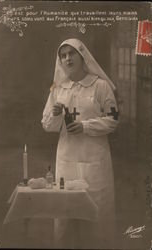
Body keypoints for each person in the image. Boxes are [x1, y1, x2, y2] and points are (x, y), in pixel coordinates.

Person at [41, 38, 119, 249]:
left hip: (94, 157)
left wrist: (85, 126)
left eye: (71, 53)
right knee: (64, 214)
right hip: (67, 157)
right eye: (63, 55)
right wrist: (56, 115)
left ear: (82, 55)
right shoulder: (58, 88)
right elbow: (47, 125)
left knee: (96, 213)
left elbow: (113, 120)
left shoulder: (100, 85)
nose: (67, 58)